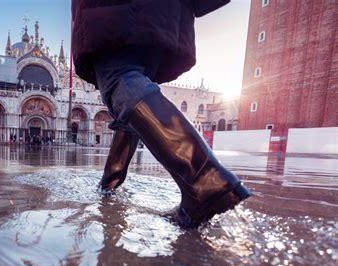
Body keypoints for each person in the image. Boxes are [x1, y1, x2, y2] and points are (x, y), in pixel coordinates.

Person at [72, 0, 252, 228]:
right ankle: (109, 184)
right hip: (163, 14)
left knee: (118, 79)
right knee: (129, 95)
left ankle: (206, 181)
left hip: (116, 10)